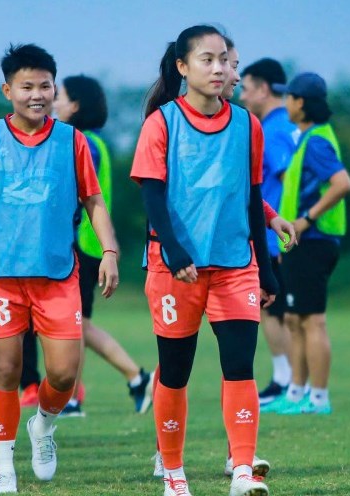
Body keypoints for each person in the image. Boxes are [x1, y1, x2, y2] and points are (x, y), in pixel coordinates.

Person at [0, 43, 119, 494]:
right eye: (27, 86)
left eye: (45, 87)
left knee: (63, 374)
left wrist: (110, 251)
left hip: (57, 275)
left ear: (55, 90)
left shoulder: (72, 141)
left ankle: (44, 426)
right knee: (7, 368)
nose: (37, 95)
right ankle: (3, 467)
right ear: (8, 90)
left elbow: (93, 201)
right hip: (0, 276)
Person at [132, 25, 276, 496]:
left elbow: (251, 198)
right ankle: (174, 472)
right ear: (182, 67)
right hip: (177, 269)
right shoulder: (161, 123)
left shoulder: (247, 125)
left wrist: (266, 267)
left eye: (224, 60)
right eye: (207, 60)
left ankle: (242, 471)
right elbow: (152, 195)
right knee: (175, 373)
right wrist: (173, 250)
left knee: (240, 366)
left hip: (235, 265)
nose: (219, 69)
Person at [47, 74, 153, 417]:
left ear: (75, 105)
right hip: (90, 245)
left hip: (80, 244)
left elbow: (80, 194)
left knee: (74, 323)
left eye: (60, 96)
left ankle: (72, 399)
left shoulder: (82, 143)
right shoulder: (96, 142)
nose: (53, 102)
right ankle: (137, 378)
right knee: (81, 324)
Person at [266, 72, 350, 415]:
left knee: (312, 321)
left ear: (300, 102)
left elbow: (342, 183)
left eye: (288, 97)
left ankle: (318, 398)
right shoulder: (307, 137)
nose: (285, 103)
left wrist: (307, 219)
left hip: (314, 241)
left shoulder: (316, 141)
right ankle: (296, 392)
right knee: (294, 319)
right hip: (300, 244)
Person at [239, 58, 298, 406]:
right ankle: (290, 382)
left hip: (277, 240)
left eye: (246, 88)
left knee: (271, 310)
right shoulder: (290, 125)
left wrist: (289, 230)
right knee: (285, 313)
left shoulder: (272, 130)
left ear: (263, 89)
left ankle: (285, 381)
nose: (242, 96)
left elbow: (290, 181)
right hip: (284, 237)